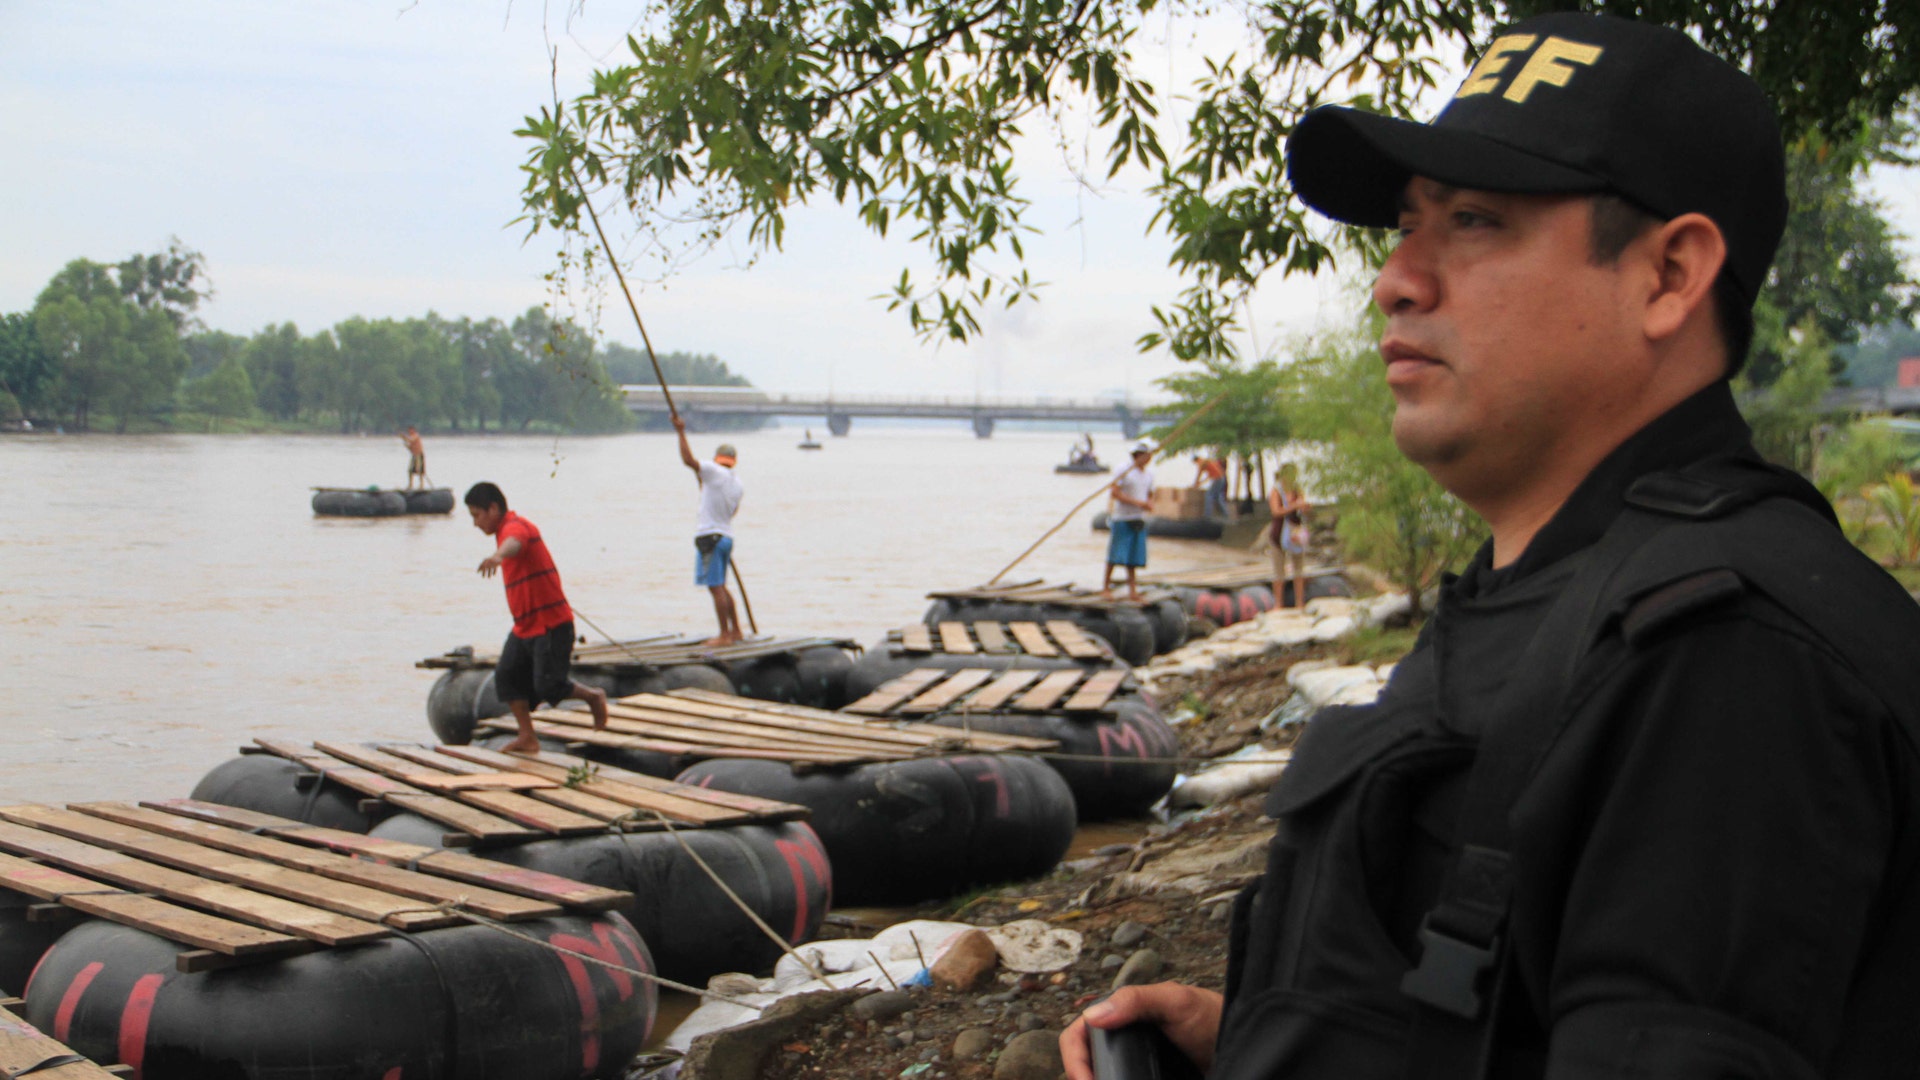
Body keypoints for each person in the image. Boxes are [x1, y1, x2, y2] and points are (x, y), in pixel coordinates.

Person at [1065, 13, 1920, 1079]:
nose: (1396, 280)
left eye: (1473, 220)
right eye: (1405, 226)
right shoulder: (1556, 588)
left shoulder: (1729, 660)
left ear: (1669, 276)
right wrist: (1277, 1036)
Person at [464, 482, 608, 754]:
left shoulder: (516, 526)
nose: (475, 523)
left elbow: (514, 543)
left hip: (551, 625)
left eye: (476, 515)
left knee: (549, 686)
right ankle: (528, 737)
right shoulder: (502, 530)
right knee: (506, 677)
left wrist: (497, 557)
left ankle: (593, 697)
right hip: (524, 627)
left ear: (493, 508)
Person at [674, 414, 745, 645]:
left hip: (710, 537)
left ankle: (724, 635)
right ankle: (736, 631)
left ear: (718, 459)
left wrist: (680, 431)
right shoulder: (736, 483)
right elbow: (732, 512)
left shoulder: (713, 472)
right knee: (722, 587)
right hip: (725, 537)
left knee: (715, 588)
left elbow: (688, 460)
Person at [1102, 441, 1155, 600]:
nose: (1149, 458)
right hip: (1122, 518)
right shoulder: (1124, 469)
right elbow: (1115, 492)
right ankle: (1105, 587)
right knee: (1115, 555)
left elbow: (1150, 494)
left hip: (1138, 518)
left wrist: (1148, 504)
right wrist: (1138, 503)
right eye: (1146, 455)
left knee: (1133, 557)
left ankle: (1133, 590)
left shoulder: (1149, 475)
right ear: (1138, 456)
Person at [1267, 463, 1311, 609]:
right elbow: (1275, 511)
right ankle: (1278, 604)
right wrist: (1293, 506)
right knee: (1279, 571)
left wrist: (1304, 508)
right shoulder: (1276, 491)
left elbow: (1302, 508)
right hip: (1279, 533)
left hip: (1295, 532)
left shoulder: (1297, 490)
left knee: (1298, 568)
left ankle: (1300, 603)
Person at [1194, 453, 1229, 518]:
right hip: (1221, 478)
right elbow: (1209, 476)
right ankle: (1225, 514)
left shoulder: (1201, 463)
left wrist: (1196, 483)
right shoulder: (1207, 461)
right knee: (1217, 497)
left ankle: (1207, 515)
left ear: (1196, 460)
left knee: (1208, 495)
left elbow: (1199, 474)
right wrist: (1200, 483)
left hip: (1218, 479)